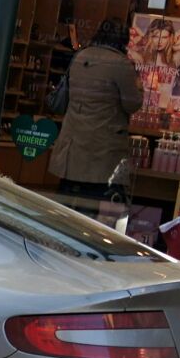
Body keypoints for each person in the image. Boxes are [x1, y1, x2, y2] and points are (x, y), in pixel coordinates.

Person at [49, 19, 143, 213]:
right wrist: (140, 87)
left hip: (73, 142)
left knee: (65, 203)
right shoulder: (121, 64)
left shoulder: (80, 56)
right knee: (93, 205)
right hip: (102, 147)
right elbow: (132, 104)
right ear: (124, 40)